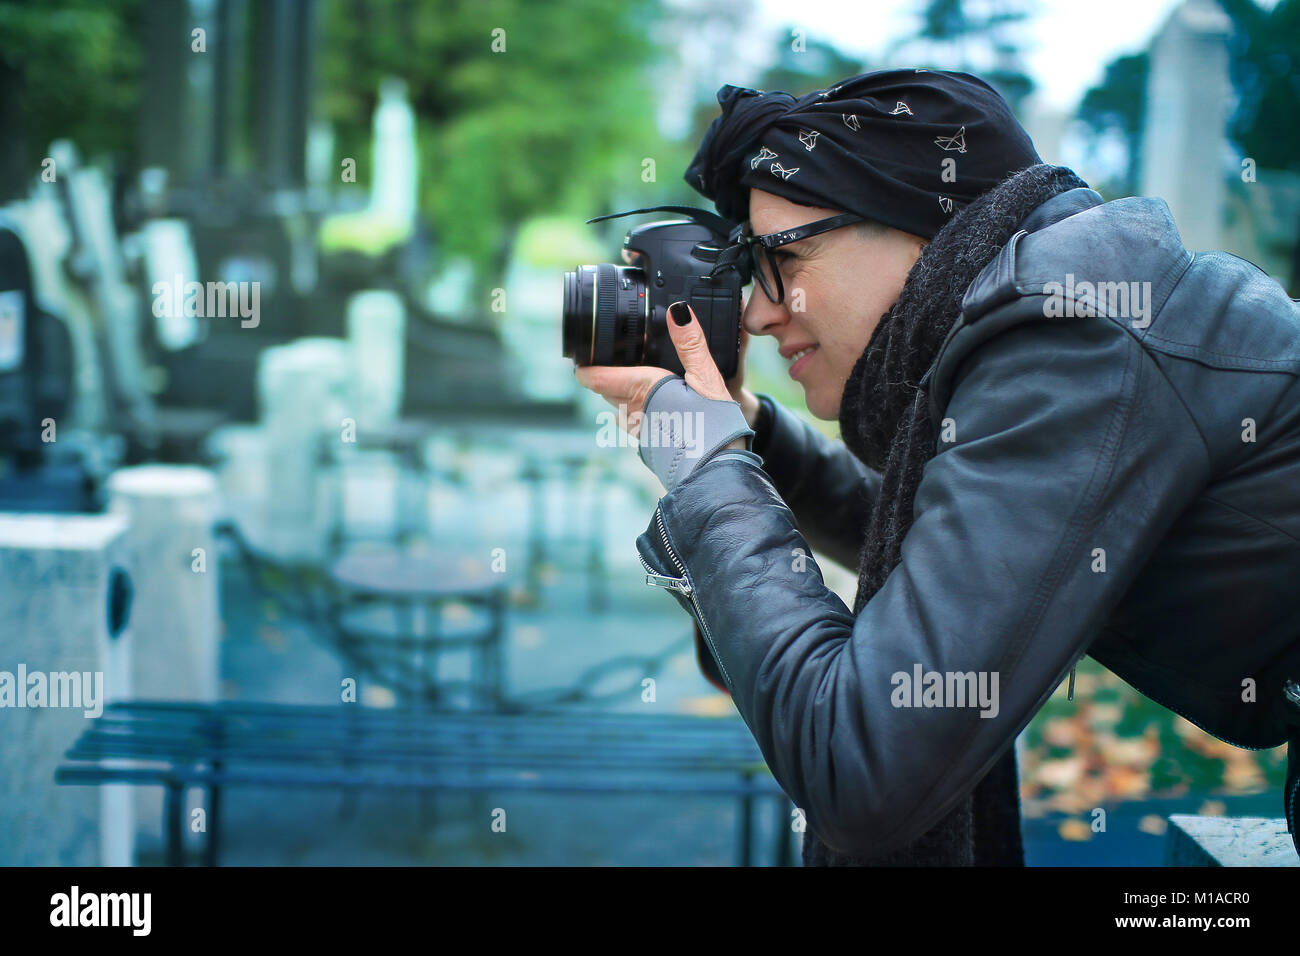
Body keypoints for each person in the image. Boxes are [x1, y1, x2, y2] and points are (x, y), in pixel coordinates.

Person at [574, 68, 1300, 867]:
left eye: (781, 258)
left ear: (922, 228)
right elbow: (954, 556)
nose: (757, 309)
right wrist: (747, 435)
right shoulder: (1054, 309)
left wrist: (710, 471)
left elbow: (864, 769)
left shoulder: (1074, 335)